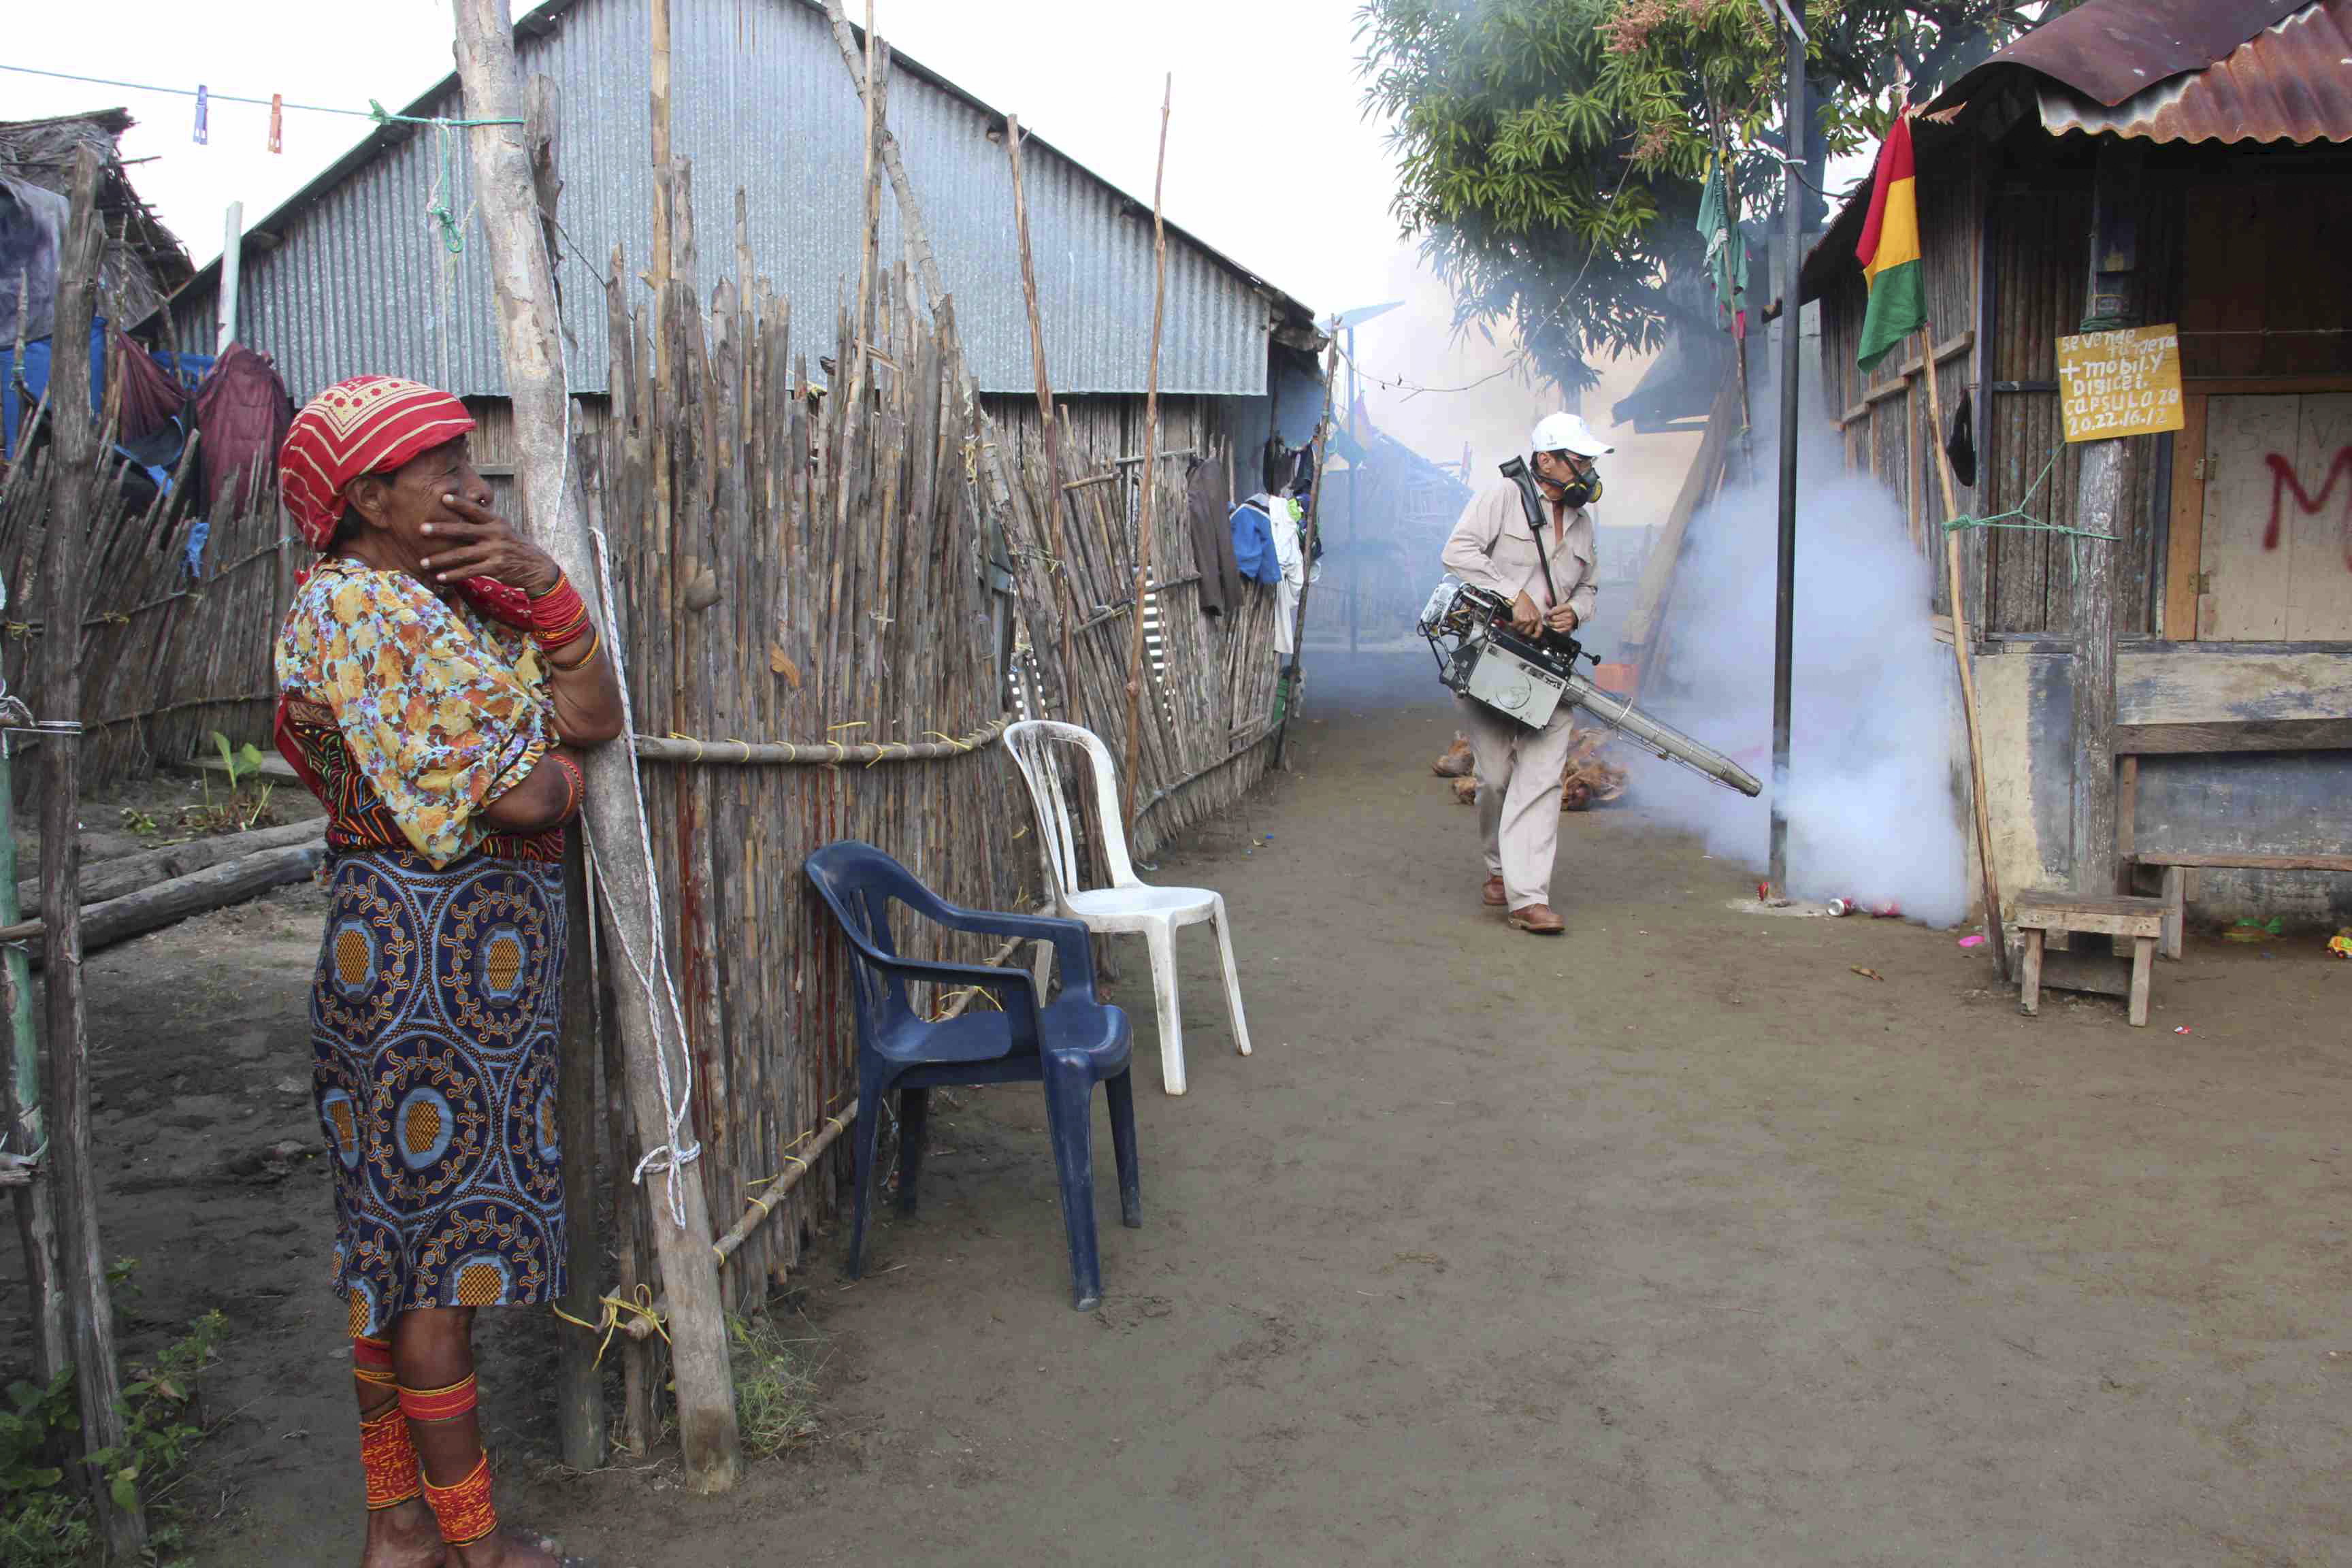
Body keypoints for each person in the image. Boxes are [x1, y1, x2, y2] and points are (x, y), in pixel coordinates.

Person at [274, 375, 621, 1568]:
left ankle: (397, 1527)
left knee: (393, 1256)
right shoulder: (363, 610)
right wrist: (564, 786)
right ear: (368, 497)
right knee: (434, 1266)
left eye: (474, 463)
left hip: (450, 967)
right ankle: (475, 1545)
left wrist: (546, 591)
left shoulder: (451, 608)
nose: (479, 488)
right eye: (446, 469)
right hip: (429, 979)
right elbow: (530, 785)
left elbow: (596, 704)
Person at [1439, 411, 1609, 936]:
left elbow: (1591, 589)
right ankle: (1498, 868)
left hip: (1549, 668)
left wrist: (1573, 612)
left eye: (1587, 461)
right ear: (1546, 460)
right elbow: (1456, 552)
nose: (1585, 470)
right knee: (1496, 778)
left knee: (1538, 780)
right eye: (1577, 460)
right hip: (1491, 656)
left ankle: (1527, 896)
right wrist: (1510, 594)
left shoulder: (1583, 523)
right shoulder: (1501, 497)